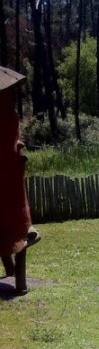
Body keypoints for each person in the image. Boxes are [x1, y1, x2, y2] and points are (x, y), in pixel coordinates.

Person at [0, 66, 39, 295]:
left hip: (10, 175)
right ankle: (18, 279)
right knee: (14, 222)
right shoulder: (7, 113)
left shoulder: (8, 113)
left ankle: (14, 271)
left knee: (13, 219)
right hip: (8, 177)